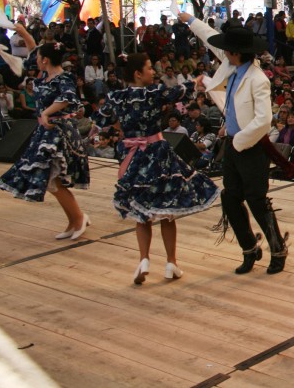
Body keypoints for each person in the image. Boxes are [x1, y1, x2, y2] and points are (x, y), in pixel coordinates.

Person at [93, 53, 219, 283]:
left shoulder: (115, 96)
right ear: (138, 74)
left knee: (142, 213)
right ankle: (171, 262)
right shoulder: (152, 92)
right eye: (150, 68)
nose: (154, 72)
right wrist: (196, 81)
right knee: (166, 213)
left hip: (131, 156)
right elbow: (177, 91)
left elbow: (100, 120)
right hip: (156, 154)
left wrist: (123, 126)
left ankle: (144, 259)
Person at [182, 11, 288, 275]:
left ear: (236, 52)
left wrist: (240, 140)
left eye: (227, 49)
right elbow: (210, 38)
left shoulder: (257, 79)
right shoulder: (231, 66)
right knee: (230, 199)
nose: (223, 52)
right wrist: (190, 20)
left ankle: (278, 248)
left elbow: (264, 120)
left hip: (249, 145)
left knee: (256, 199)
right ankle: (250, 247)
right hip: (232, 143)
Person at [0, 42, 91, 240]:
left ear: (45, 59)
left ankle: (78, 218)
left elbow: (68, 98)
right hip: (46, 132)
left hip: (59, 132)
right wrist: (18, 31)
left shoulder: (63, 77)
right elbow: (32, 47)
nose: (35, 59)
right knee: (51, 180)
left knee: (53, 179)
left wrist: (47, 112)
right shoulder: (44, 76)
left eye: (39, 56)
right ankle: (74, 219)